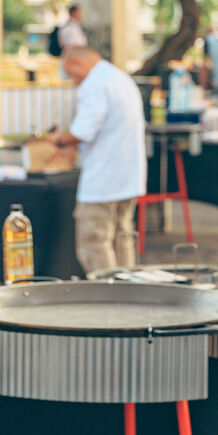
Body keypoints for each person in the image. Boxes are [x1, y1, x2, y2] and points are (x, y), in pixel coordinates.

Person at [51, 46, 146, 274]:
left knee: (93, 244)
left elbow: (83, 131)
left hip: (103, 180)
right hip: (129, 176)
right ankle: (129, 295)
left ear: (76, 64)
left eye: (71, 74)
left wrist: (60, 139)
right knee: (122, 239)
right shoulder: (120, 78)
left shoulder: (94, 85)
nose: (74, 82)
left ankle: (107, 297)